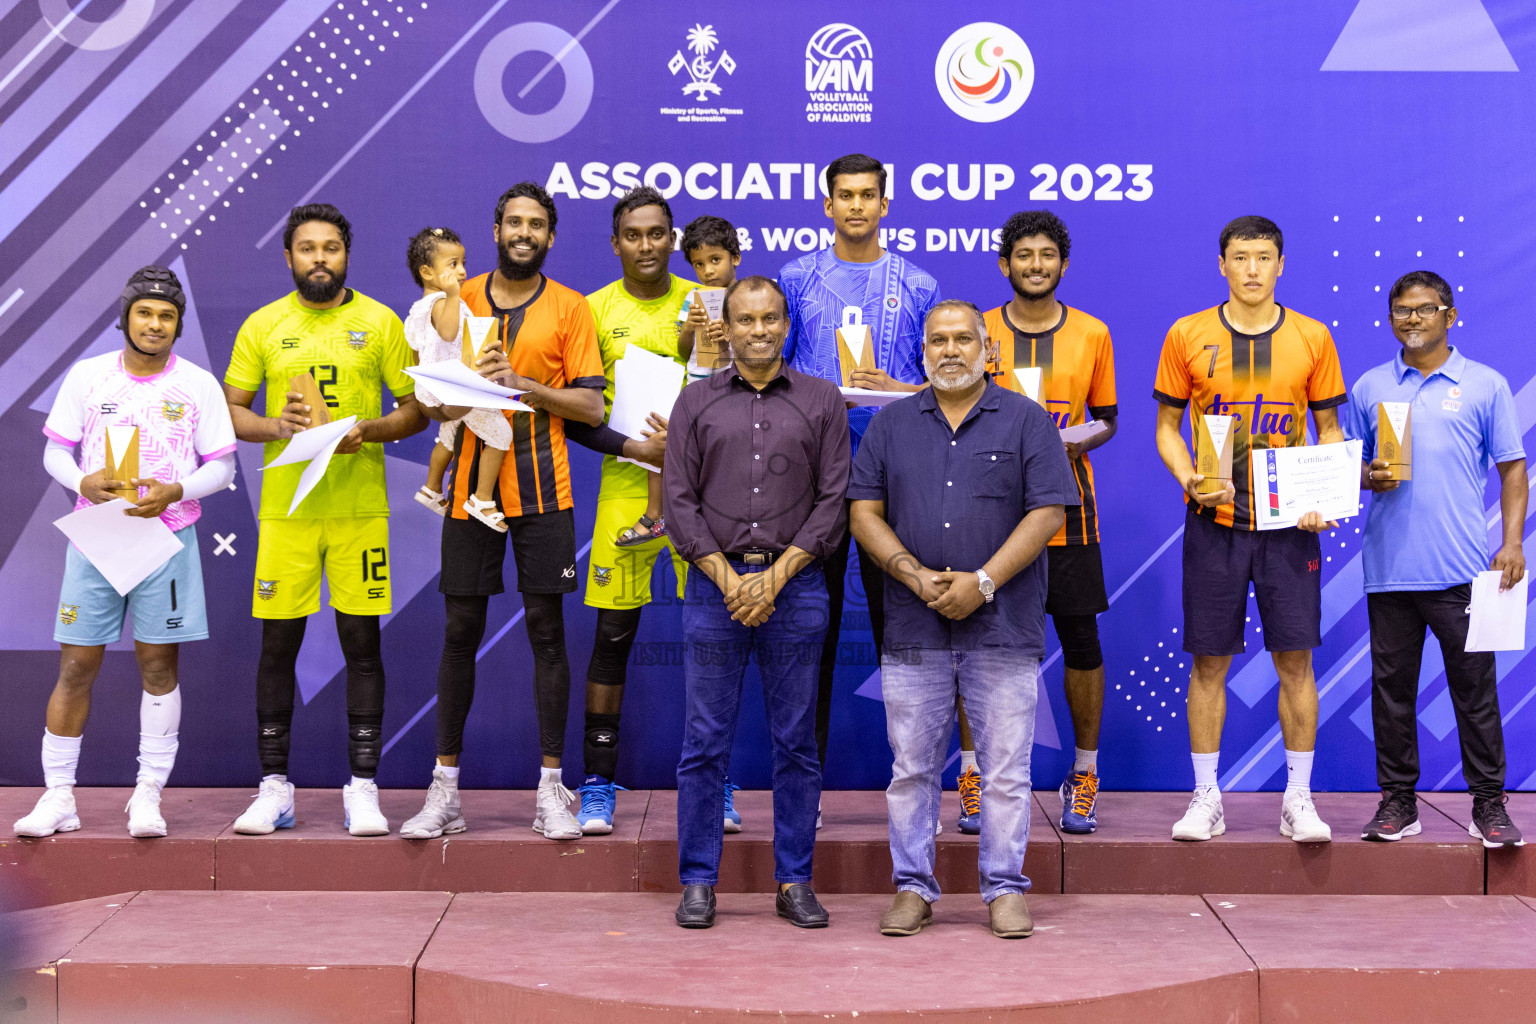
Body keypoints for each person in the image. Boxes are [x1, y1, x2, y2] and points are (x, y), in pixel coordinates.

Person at [399, 182, 643, 842]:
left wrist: (523, 386)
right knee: (459, 631)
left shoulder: (570, 308)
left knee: (546, 632)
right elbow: (427, 397)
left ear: (551, 236)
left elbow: (591, 409)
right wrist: (447, 401)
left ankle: (550, 793)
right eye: (513, 222)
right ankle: (444, 791)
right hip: (470, 497)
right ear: (497, 229)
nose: (524, 232)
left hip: (544, 491)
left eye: (537, 223)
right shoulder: (458, 297)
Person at [851, 301, 1076, 940]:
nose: (950, 350)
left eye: (962, 339)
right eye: (938, 340)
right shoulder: (890, 424)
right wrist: (912, 573)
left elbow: (1048, 512)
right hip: (913, 621)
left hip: (1001, 624)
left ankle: (1004, 888)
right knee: (912, 768)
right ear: (922, 350)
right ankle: (913, 888)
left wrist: (983, 582)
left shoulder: (1029, 421)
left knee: (1005, 768)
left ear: (987, 349)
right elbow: (863, 512)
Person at [224, 203, 425, 837]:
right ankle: (274, 788)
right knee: (277, 646)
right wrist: (276, 428)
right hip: (287, 514)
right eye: (307, 248)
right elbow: (231, 410)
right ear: (288, 257)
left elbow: (415, 408)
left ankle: (362, 789)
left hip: (360, 510)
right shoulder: (263, 325)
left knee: (362, 647)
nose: (320, 258)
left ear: (346, 254)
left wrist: (371, 432)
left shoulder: (380, 321)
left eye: (331, 247)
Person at [14, 266, 236, 839]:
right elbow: (56, 453)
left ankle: (147, 796)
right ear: (126, 317)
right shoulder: (88, 378)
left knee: (159, 666)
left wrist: (176, 490)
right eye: (145, 312)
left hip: (168, 539)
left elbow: (222, 465)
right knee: (75, 665)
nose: (155, 323)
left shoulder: (198, 385)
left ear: (178, 324)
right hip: (99, 537)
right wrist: (84, 483)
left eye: (166, 315)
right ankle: (58, 797)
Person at [1153, 215, 1344, 843]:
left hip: (1291, 527)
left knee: (1296, 660)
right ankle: (1207, 798)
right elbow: (1166, 431)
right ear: (1222, 264)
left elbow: (1329, 433)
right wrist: (1190, 478)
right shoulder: (1188, 333)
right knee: (1209, 663)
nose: (1253, 269)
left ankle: (1298, 799)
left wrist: (1323, 495)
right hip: (1216, 522)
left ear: (1281, 265)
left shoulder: (1313, 337)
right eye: (1241, 257)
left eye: (1264, 257)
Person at [665, 276, 849, 930]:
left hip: (796, 591)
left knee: (797, 743)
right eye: (746, 320)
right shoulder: (694, 403)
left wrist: (773, 579)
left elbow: (833, 503)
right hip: (714, 594)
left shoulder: (823, 401)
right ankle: (697, 881)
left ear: (787, 323)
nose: (760, 331)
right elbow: (678, 503)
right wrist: (728, 577)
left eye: (771, 319)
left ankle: (795, 880)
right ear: (728, 328)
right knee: (703, 742)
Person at [779, 153, 941, 812]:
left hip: (893, 483)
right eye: (843, 195)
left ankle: (917, 790)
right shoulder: (795, 279)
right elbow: (773, 374)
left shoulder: (920, 285)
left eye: (867, 195)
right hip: (811, 482)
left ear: (885, 204)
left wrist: (892, 392)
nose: (855, 206)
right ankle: (802, 794)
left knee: (901, 642)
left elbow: (946, 391)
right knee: (805, 639)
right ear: (827, 204)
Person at [1346, 270, 1527, 847]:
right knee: (1391, 694)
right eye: (1402, 310)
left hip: (1463, 570)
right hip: (1390, 570)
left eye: (1425, 309)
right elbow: (1349, 465)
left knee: (1475, 692)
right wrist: (1364, 475)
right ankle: (1398, 803)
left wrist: (1514, 542)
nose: (1412, 319)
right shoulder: (1370, 385)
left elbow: (1513, 469)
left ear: (1450, 315)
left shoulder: (1485, 385)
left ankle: (1489, 807)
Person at [953, 210, 1118, 837]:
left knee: (1080, 644)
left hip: (1069, 519)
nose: (1036, 265)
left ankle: (1084, 772)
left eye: (1047, 254)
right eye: (1024, 255)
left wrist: (1073, 443)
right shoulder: (978, 330)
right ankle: (973, 774)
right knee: (976, 647)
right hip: (985, 517)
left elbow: (1107, 417)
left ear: (1063, 263)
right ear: (1004, 264)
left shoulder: (1093, 333)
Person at [573, 187, 703, 836]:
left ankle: (718, 782)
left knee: (712, 637)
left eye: (658, 234)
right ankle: (598, 782)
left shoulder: (701, 302)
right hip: (625, 492)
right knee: (613, 638)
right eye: (634, 234)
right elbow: (580, 417)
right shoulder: (591, 311)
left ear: (671, 239)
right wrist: (633, 445)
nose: (646, 245)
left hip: (702, 496)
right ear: (616, 241)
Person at [615, 214, 737, 551]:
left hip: (734, 396)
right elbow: (684, 351)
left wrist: (727, 338)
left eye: (716, 260)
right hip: (696, 391)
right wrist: (691, 327)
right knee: (660, 437)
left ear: (735, 257)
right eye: (699, 264)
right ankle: (658, 514)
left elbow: (755, 353)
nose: (708, 271)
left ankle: (714, 520)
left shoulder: (746, 297)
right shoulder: (694, 298)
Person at [404, 226, 511, 531]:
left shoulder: (416, 310)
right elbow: (450, 332)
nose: (462, 272)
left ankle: (431, 488)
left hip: (434, 387)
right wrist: (452, 295)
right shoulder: (441, 303)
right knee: (502, 435)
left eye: (463, 263)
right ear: (427, 272)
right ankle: (482, 499)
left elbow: (418, 347)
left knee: (449, 435)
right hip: (453, 389)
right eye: (453, 265)